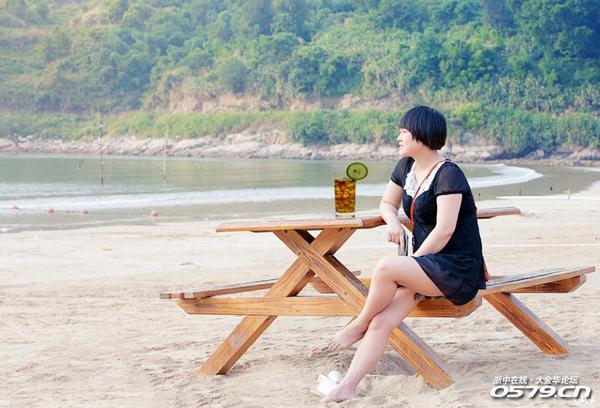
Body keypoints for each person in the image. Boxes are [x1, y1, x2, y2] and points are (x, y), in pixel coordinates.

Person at [322, 105, 487, 403]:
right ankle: (347, 387)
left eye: (403, 132)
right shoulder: (406, 167)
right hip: (426, 264)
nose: (398, 138)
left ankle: (357, 323)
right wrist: (393, 222)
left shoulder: (449, 174)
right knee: (381, 322)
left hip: (456, 267)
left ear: (421, 134)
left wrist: (412, 262)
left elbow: (445, 230)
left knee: (387, 267)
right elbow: (387, 203)